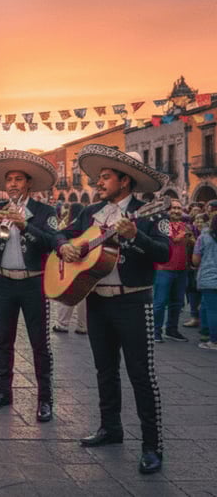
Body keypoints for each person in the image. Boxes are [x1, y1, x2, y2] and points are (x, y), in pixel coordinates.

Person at [56, 144, 169, 474]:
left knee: (141, 375)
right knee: (104, 370)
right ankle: (111, 428)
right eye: (99, 178)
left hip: (133, 300)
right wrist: (65, 247)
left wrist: (135, 237)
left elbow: (163, 253)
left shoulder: (152, 213)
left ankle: (152, 446)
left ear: (125, 181)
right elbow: (63, 233)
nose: (98, 183)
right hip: (97, 300)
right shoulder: (90, 213)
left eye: (105, 177)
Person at [0, 150, 58, 424]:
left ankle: (45, 399)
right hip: (4, 281)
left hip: (34, 282)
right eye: (9, 180)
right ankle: (2, 392)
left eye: (18, 179)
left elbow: (53, 241)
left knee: (39, 343)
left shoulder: (45, 211)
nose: (12, 184)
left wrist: (26, 226)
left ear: (28, 183)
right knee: (3, 340)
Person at [152, 199, 193, 343]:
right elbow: (170, 241)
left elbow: (187, 245)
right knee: (160, 302)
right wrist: (181, 236)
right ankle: (155, 332)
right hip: (164, 269)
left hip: (181, 269)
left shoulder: (183, 225)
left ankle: (171, 330)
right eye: (173, 208)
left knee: (177, 302)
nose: (176, 211)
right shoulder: (162, 224)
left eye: (179, 208)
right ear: (167, 210)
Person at [52, 203, 87, 335]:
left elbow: (57, 236)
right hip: (85, 262)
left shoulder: (66, 224)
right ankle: (83, 325)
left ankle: (62, 323)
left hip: (69, 261)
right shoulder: (86, 224)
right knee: (84, 295)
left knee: (67, 292)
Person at [193, 213, 217, 350]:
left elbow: (195, 261)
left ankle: (214, 340)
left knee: (212, 310)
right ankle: (205, 333)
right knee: (205, 306)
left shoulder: (204, 237)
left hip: (208, 278)